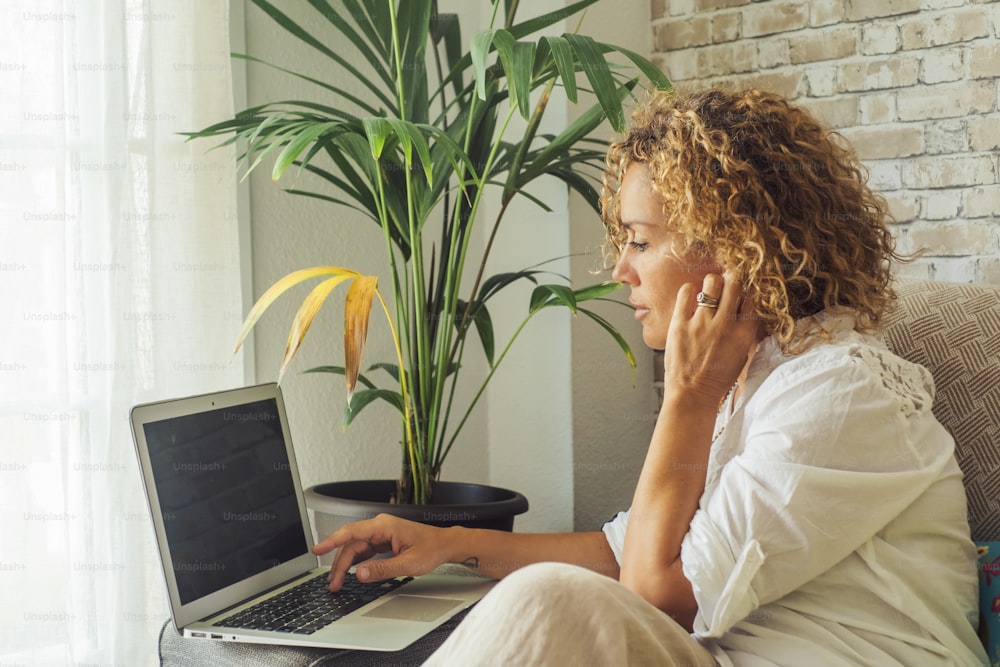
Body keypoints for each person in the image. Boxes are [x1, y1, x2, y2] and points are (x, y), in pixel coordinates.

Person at [312, 87, 987, 666]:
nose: (620, 271)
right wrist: (450, 546)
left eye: (639, 239)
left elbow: (651, 587)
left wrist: (687, 400)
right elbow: (624, 551)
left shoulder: (840, 390)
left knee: (545, 602)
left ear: (731, 243)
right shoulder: (752, 378)